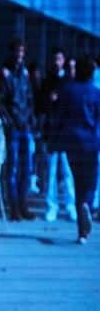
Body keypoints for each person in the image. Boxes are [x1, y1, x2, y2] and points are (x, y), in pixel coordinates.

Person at [51, 56, 100, 243]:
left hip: (71, 143)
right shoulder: (96, 93)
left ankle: (82, 232)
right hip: (91, 143)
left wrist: (54, 140)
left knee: (78, 182)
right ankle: (88, 204)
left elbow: (59, 117)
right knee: (91, 181)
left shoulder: (67, 91)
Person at [0, 38, 35, 220]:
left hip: (25, 126)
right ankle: (14, 207)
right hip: (14, 127)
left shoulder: (24, 75)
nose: (20, 55)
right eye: (17, 51)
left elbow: (29, 98)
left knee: (26, 168)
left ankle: (23, 204)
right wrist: (9, 122)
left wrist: (29, 119)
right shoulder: (5, 74)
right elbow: (0, 101)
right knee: (13, 168)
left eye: (22, 51)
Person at [41, 48, 76, 222]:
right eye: (55, 59)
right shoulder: (47, 80)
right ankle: (51, 206)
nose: (57, 62)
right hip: (52, 133)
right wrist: (49, 100)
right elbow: (41, 105)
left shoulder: (69, 81)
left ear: (64, 61)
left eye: (60, 59)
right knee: (51, 172)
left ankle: (71, 205)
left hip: (66, 132)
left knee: (67, 171)